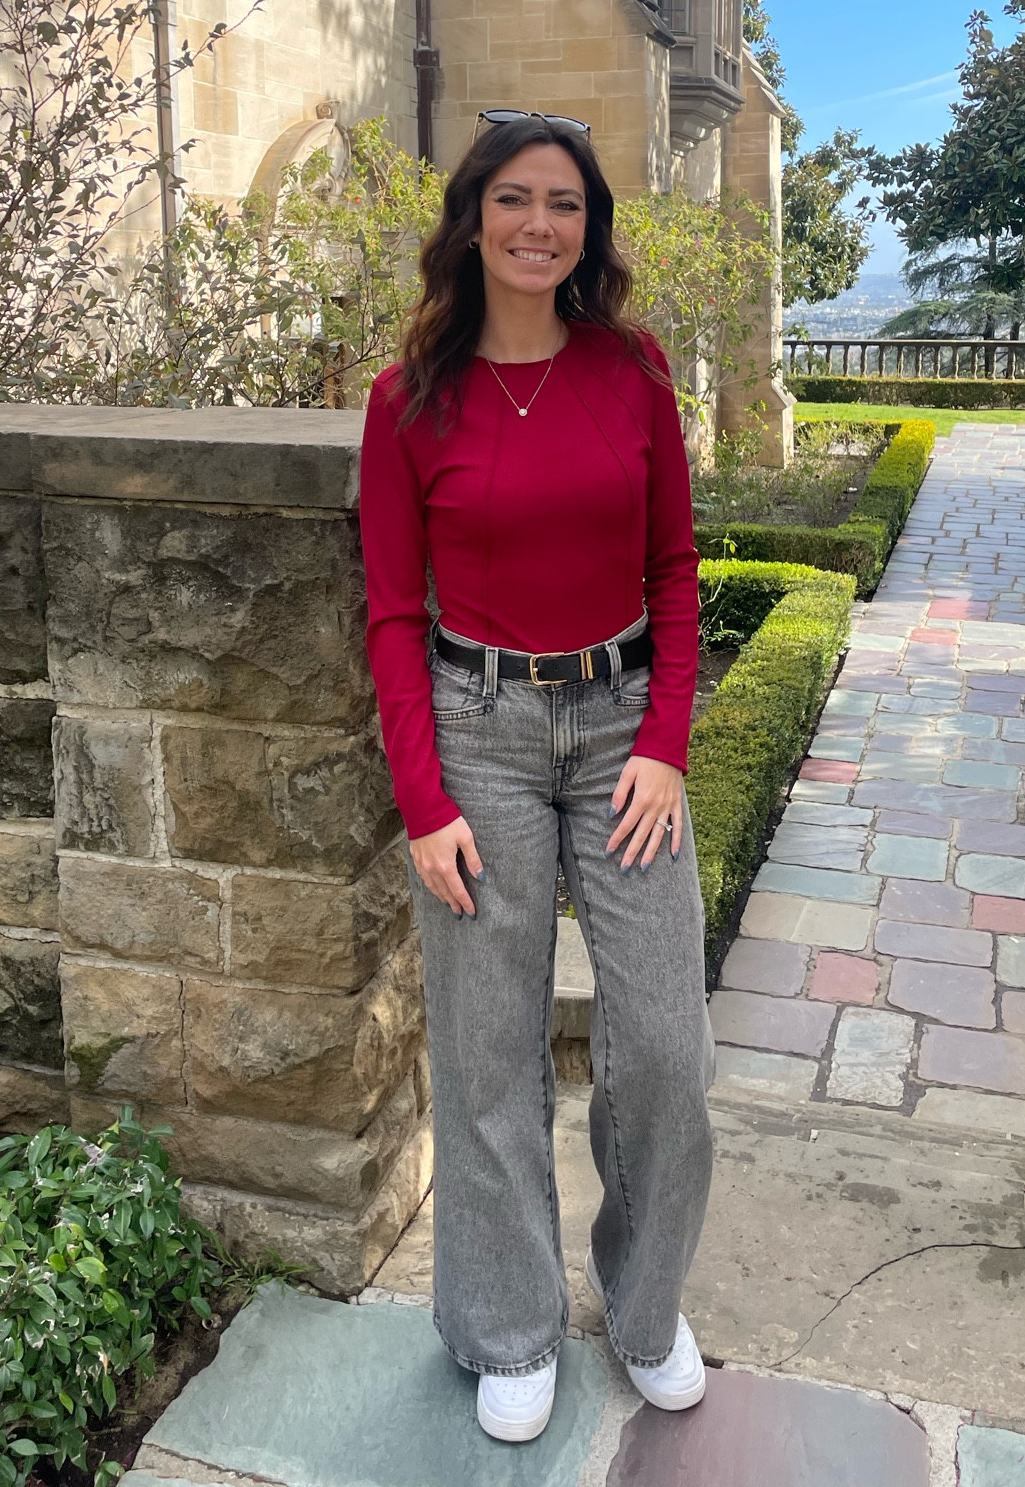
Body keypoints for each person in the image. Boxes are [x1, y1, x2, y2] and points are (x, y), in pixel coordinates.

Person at [359, 109, 714, 1444]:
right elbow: (394, 610)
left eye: (564, 204)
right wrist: (425, 799)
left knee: (666, 1050)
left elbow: (677, 572)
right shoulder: (411, 400)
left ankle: (645, 1303)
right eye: (515, 199)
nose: (538, 225)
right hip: (480, 734)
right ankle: (507, 1326)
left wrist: (670, 741)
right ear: (473, 218)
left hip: (623, 727)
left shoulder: (633, 373)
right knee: (488, 1050)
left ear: (589, 230)